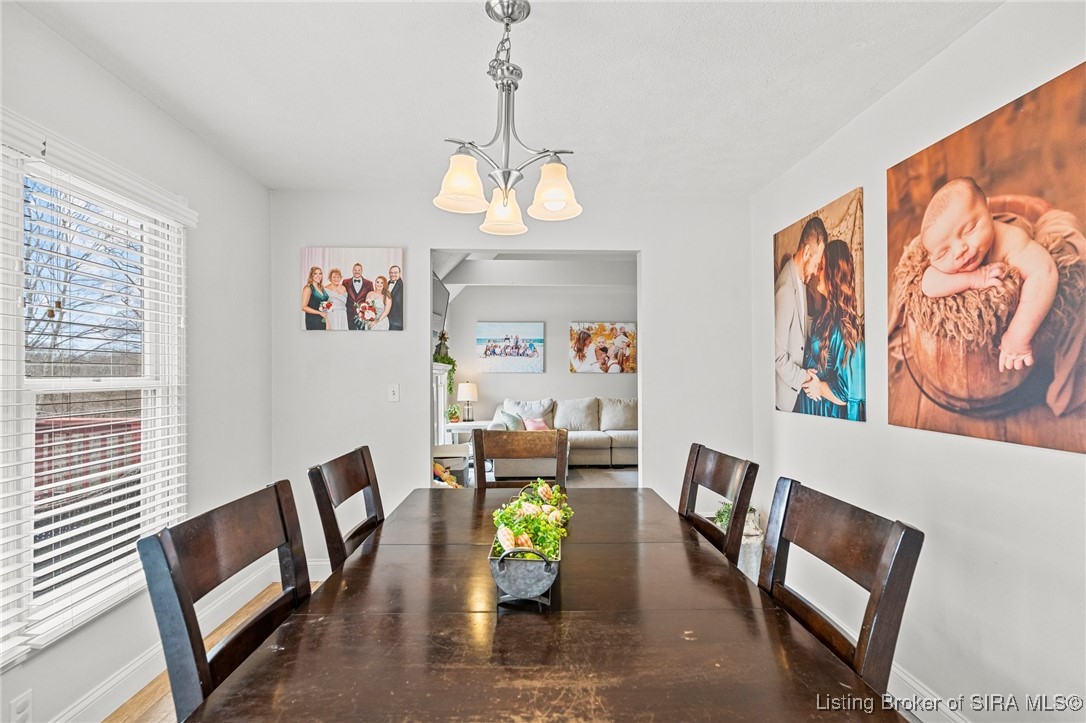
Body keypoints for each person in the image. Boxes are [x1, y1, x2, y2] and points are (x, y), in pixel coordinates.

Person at [919, 177, 1059, 372]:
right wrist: (973, 278)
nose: (959, 251)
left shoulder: (1009, 240)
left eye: (969, 230)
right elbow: (928, 285)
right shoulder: (942, 260)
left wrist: (1018, 335)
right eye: (943, 253)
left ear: (988, 210)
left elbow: (1044, 271)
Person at [797, 240, 866, 421]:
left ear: (832, 274)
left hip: (825, 411)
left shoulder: (844, 326)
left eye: (821, 268)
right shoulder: (828, 314)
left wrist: (819, 388)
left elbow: (847, 392)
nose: (817, 273)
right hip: (812, 406)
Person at [775, 216, 827, 411]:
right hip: (785, 399)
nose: (816, 271)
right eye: (816, 263)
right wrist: (804, 377)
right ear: (806, 252)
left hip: (795, 391)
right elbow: (777, 357)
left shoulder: (800, 280)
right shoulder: (785, 290)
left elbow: (799, 325)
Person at [345, 262, 374, 330]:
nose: (357, 272)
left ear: (362, 271)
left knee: (363, 335)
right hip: (349, 315)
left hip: (363, 316)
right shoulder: (345, 282)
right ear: (352, 271)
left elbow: (372, 300)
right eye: (355, 270)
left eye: (359, 270)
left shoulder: (369, 283)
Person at [301, 266, 329, 330]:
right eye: (315, 273)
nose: (318, 276)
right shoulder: (308, 288)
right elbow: (303, 307)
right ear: (311, 275)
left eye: (320, 273)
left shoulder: (322, 289)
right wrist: (319, 313)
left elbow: (325, 305)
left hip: (323, 319)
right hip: (313, 320)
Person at [387, 265, 404, 331]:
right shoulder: (387, 283)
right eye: (391, 273)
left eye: (395, 272)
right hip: (386, 320)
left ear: (399, 273)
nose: (393, 274)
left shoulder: (403, 286)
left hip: (396, 323)